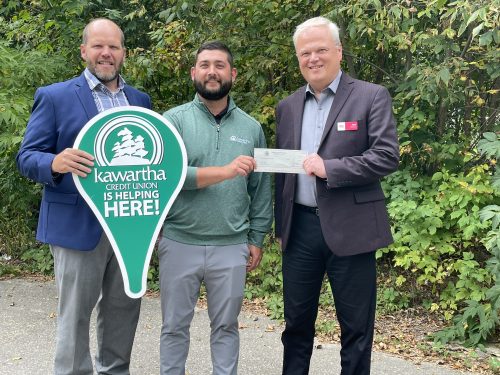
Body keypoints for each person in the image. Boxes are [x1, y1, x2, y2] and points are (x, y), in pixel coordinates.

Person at [16, 18, 151, 375]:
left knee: (124, 310)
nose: (106, 53)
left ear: (124, 53)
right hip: (78, 225)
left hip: (129, 226)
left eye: (114, 47)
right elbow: (27, 157)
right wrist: (55, 162)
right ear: (84, 51)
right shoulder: (55, 96)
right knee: (74, 316)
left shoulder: (139, 100)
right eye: (98, 46)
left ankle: (115, 370)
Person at [274, 17, 399, 375]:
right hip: (299, 231)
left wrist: (331, 168)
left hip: (352, 228)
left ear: (339, 52)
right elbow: (284, 176)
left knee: (357, 329)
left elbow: (386, 156)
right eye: (305, 52)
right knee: (296, 326)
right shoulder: (287, 106)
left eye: (321, 50)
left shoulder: (370, 96)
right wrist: (281, 228)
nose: (313, 58)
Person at [159, 41, 273, 375]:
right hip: (180, 241)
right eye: (205, 65)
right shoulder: (173, 121)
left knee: (226, 327)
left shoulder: (251, 128)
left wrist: (256, 237)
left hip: (231, 244)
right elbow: (168, 177)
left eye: (220, 65)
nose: (212, 72)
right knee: (174, 326)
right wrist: (225, 171)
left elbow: (261, 188)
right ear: (194, 72)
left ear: (232, 73)